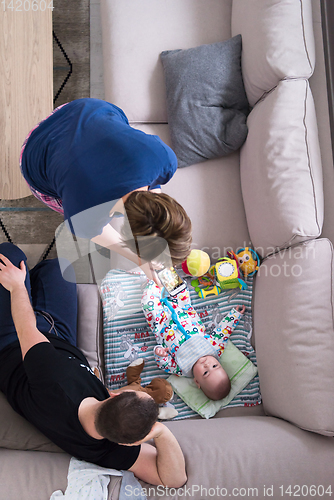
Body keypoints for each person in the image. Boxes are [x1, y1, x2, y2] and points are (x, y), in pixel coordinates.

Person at [0, 243, 187, 487]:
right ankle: (33, 279)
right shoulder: (108, 449)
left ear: (111, 395)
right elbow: (174, 479)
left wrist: (17, 286)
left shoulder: (56, 381)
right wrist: (162, 433)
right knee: (60, 267)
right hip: (59, 343)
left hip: (14, 342)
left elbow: (26, 326)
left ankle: (23, 281)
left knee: (10, 256)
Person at [19, 98, 192, 272]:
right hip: (34, 150)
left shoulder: (165, 159)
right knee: (67, 201)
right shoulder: (83, 214)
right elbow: (94, 232)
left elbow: (151, 183)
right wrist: (138, 259)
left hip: (82, 109)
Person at [141, 280, 245, 401]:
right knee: (180, 289)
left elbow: (164, 364)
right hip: (183, 308)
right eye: (215, 366)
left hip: (161, 321)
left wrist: (160, 353)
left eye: (205, 373)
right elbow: (223, 332)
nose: (207, 365)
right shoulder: (215, 348)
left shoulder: (181, 369)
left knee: (148, 305)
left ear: (196, 381)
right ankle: (165, 271)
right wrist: (235, 315)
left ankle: (149, 281)